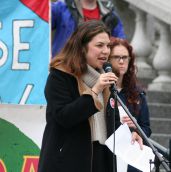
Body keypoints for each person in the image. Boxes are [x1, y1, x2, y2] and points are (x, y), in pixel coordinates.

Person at [38, 20, 143, 172]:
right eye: (99, 45)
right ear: (81, 47)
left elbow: (111, 121)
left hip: (101, 157)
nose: (106, 51)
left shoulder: (106, 76)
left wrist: (130, 134)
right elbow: (64, 117)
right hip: (68, 160)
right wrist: (95, 91)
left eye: (108, 46)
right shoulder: (60, 75)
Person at [108, 37, 152, 172]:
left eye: (125, 57)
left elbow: (147, 128)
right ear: (108, 60)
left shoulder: (138, 93)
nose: (121, 61)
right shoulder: (102, 89)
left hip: (130, 156)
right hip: (107, 154)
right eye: (116, 57)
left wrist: (136, 129)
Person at [51, 0, 126, 57]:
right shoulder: (61, 7)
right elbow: (41, 24)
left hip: (96, 72)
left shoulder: (111, 15)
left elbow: (121, 45)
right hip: (63, 68)